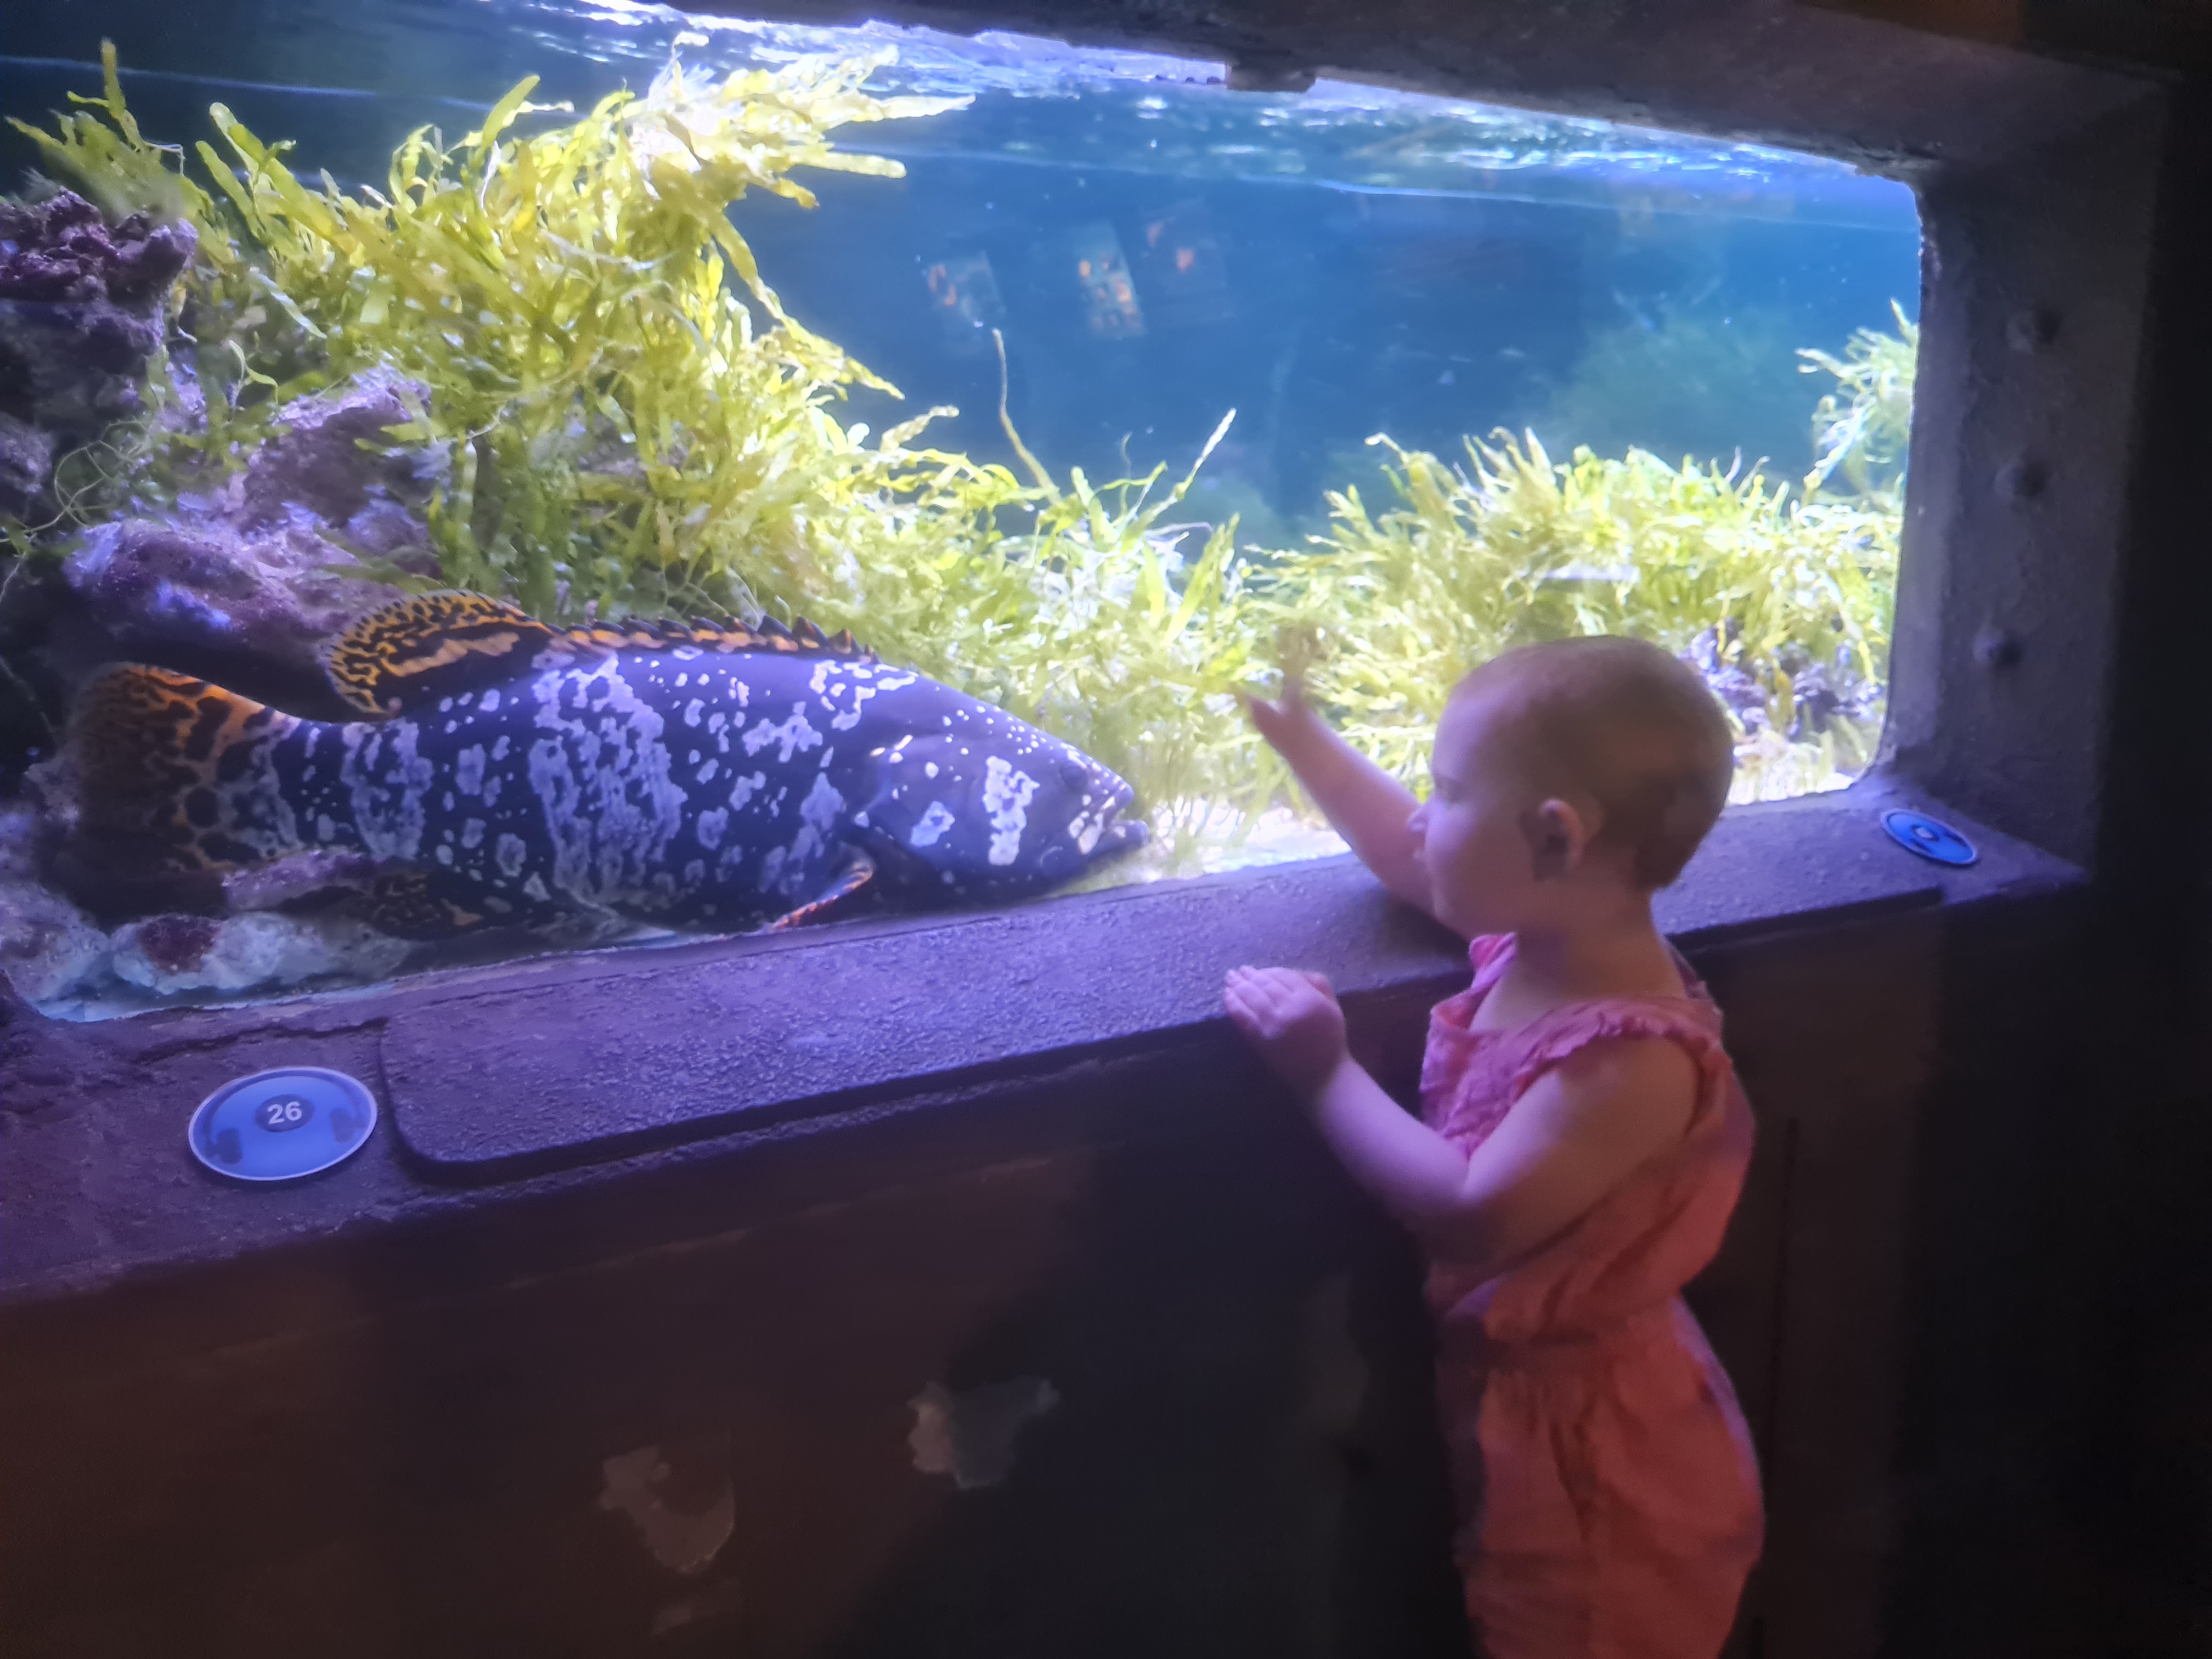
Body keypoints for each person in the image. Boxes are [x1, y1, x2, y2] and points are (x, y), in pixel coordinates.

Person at [1223, 636, 1764, 1659]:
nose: (1422, 816)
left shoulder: (1630, 1059)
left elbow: (1473, 1213)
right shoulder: (1547, 939)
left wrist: (1323, 1069)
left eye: (1447, 789)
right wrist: (1306, 742)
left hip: (1602, 1461)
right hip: (1536, 1410)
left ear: (1556, 839)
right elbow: (1411, 861)